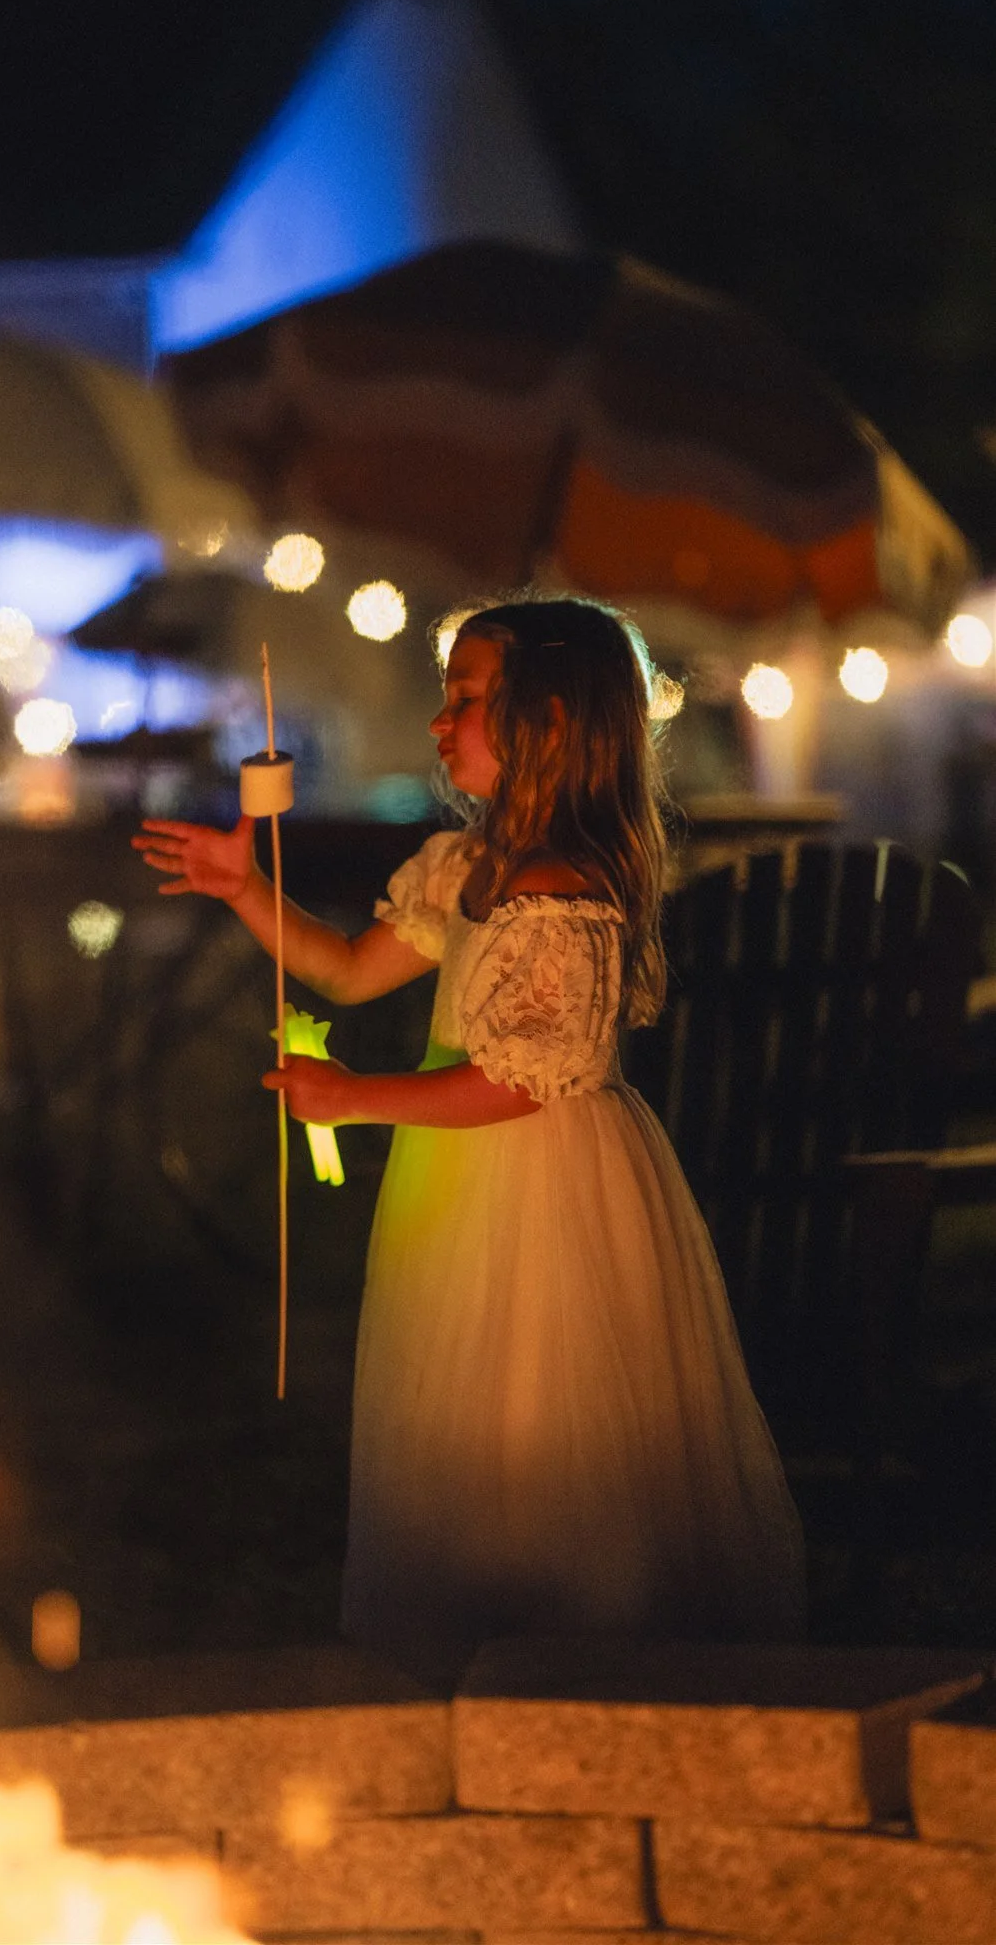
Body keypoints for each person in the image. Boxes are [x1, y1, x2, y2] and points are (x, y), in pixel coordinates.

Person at [135, 594, 805, 1684]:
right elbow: (348, 967)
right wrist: (243, 887)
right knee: (461, 1424)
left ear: (547, 717)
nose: (439, 725)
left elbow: (526, 1085)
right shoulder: (471, 864)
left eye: (464, 701)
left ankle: (574, 1667)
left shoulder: (567, 894)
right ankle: (482, 1663)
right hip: (458, 1185)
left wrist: (356, 1098)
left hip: (549, 1193)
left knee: (544, 1414)